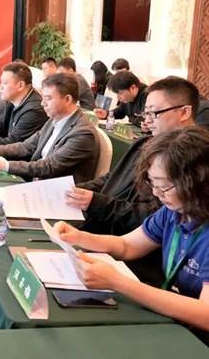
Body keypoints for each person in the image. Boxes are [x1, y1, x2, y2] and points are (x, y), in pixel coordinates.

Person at [53, 126, 209, 333]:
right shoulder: (174, 211)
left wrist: (118, 282)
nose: (157, 193)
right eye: (153, 184)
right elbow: (127, 246)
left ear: (198, 181)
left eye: (164, 186)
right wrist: (79, 237)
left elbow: (205, 314)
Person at [67, 76, 202, 236]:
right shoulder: (143, 143)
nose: (147, 120)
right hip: (99, 222)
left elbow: (154, 218)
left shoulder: (194, 159)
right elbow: (112, 177)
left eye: (154, 113)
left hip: (125, 236)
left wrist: (97, 203)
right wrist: (76, 190)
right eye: (146, 113)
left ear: (184, 112)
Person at [0, 73, 99, 183]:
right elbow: (26, 146)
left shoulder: (83, 133)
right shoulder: (54, 120)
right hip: (37, 183)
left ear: (68, 99)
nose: (42, 103)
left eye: (48, 98)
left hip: (56, 193)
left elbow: (48, 167)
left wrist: (4, 165)